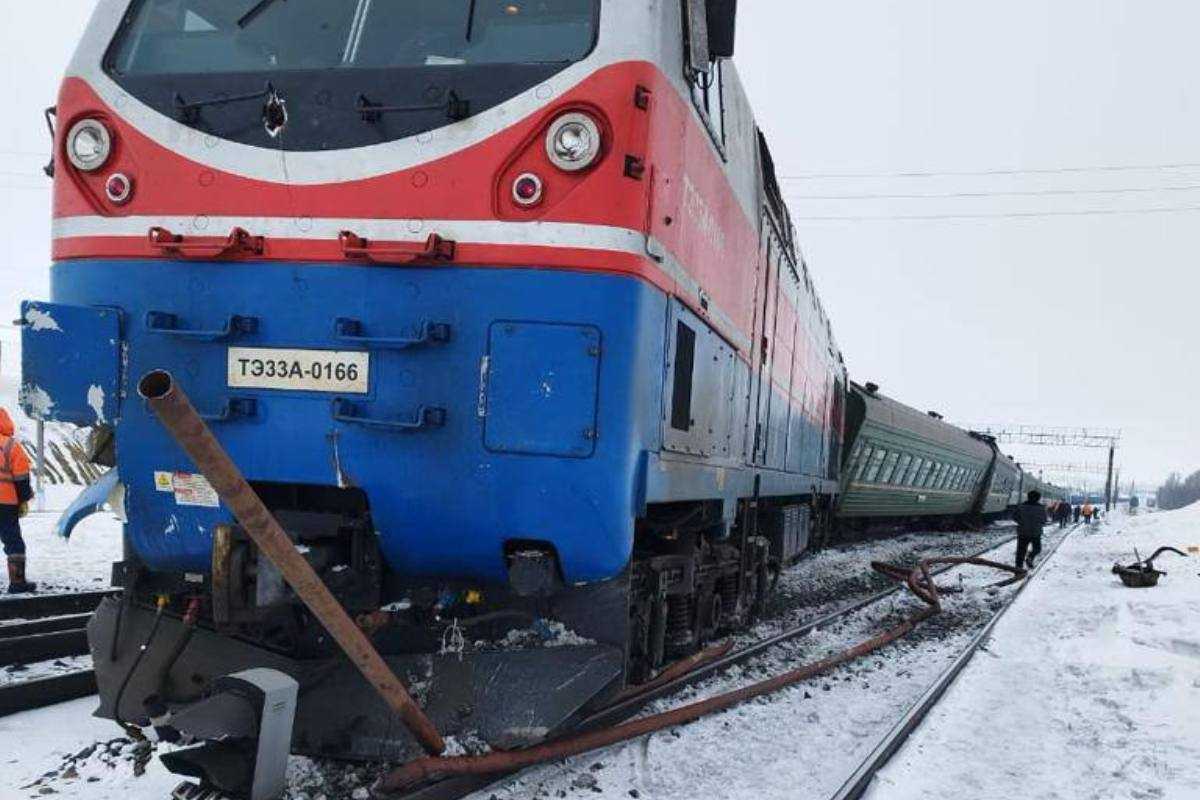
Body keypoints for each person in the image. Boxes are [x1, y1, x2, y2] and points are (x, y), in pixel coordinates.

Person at [0, 408, 36, 594]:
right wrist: (24, 498)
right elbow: (22, 477)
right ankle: (17, 583)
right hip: (6, 503)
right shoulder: (11, 446)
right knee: (13, 542)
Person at [1013, 490, 1047, 569]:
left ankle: (1018, 568)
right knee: (1037, 549)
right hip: (1036, 532)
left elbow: (1015, 517)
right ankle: (1030, 558)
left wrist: (1021, 522)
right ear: (1038, 498)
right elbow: (1044, 520)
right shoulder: (1041, 508)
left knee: (1020, 551)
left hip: (1023, 532)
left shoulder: (1021, 506)